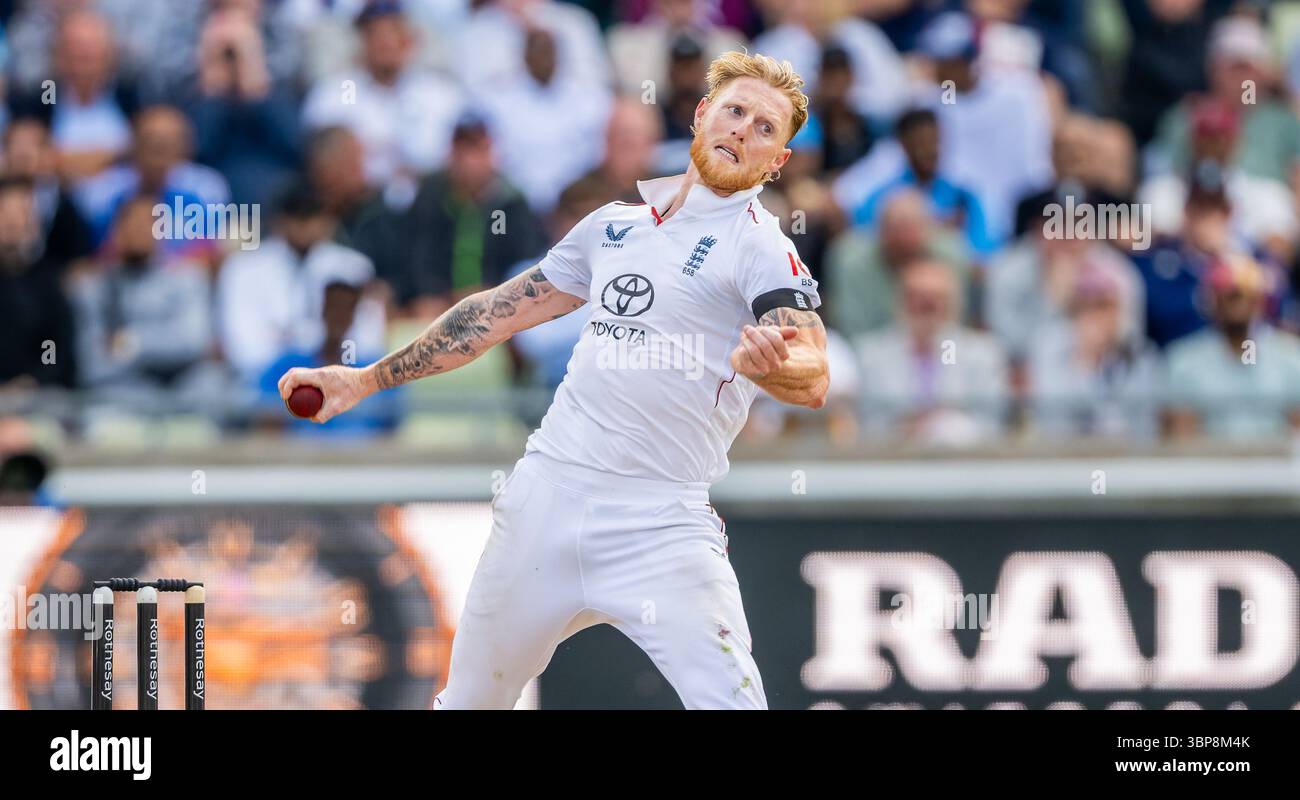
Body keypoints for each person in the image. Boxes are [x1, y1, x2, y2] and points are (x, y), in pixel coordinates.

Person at [279, 51, 828, 710]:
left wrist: (776, 366)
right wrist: (365, 381)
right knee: (468, 704)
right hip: (548, 497)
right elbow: (489, 317)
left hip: (662, 523)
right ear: (701, 114)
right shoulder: (612, 227)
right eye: (735, 110)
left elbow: (814, 369)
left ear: (779, 162)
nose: (743, 130)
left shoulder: (761, 245)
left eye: (766, 128)